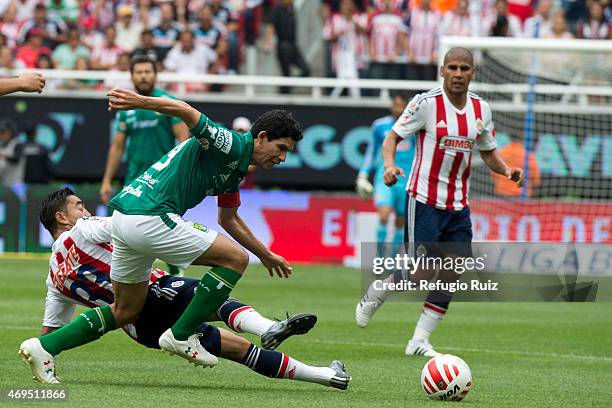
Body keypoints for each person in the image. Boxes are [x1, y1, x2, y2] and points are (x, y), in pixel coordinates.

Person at [20, 87, 304, 376]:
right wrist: (141, 102)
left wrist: (265, 254)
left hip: (123, 220)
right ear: (262, 137)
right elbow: (186, 110)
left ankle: (45, 347)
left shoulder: (236, 169)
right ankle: (181, 335)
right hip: (150, 216)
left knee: (125, 311)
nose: (282, 158)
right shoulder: (229, 143)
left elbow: (228, 219)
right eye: (281, 148)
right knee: (235, 259)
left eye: (287, 153)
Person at [19, 188, 350, 390]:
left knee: (237, 349)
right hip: (155, 292)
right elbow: (126, 225)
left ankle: (326, 376)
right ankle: (269, 327)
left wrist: (46, 353)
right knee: (217, 293)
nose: (86, 210)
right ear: (62, 217)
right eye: (79, 206)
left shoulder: (55, 277)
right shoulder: (85, 230)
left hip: (139, 329)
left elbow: (53, 327)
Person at [355, 47, 524, 357]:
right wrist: (390, 166)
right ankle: (379, 289)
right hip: (424, 199)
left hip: (458, 204)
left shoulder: (481, 110)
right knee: (421, 272)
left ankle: (419, 340)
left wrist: (507, 170)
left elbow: (487, 150)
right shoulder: (425, 104)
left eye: (464, 68)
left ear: (473, 73)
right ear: (443, 70)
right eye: (453, 68)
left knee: (454, 269)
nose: (458, 74)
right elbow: (392, 137)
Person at [100, 55, 188, 276]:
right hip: (133, 180)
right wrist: (107, 180)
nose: (143, 76)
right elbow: (117, 147)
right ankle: (118, 277)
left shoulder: (168, 102)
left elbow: (184, 140)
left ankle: (176, 275)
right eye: (139, 72)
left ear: (155, 74)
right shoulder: (126, 106)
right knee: (118, 230)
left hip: (163, 179)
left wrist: (180, 175)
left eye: (147, 71)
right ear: (132, 76)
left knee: (164, 229)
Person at [355, 94, 414, 259]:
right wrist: (363, 174)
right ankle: (380, 258)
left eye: (402, 105)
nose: (398, 109)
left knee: (401, 221)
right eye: (396, 105)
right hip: (385, 175)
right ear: (391, 106)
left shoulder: (414, 126)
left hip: (407, 178)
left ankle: (393, 259)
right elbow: (371, 151)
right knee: (384, 214)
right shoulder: (380, 126)